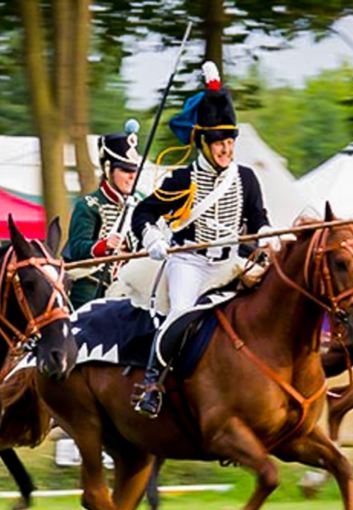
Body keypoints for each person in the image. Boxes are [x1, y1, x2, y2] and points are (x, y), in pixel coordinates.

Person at [130, 61, 277, 418]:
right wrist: (151, 238)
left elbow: (258, 218)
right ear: (204, 144)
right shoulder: (182, 180)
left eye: (230, 142)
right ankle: (153, 383)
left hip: (232, 261)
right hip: (190, 262)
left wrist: (264, 236)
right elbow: (143, 214)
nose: (226, 150)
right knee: (180, 313)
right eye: (219, 144)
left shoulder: (246, 178)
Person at [62, 120, 141, 309]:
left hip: (129, 288)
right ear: (108, 169)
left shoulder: (138, 206)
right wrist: (103, 246)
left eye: (134, 171)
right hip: (90, 286)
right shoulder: (89, 206)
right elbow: (78, 248)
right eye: (125, 170)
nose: (132, 176)